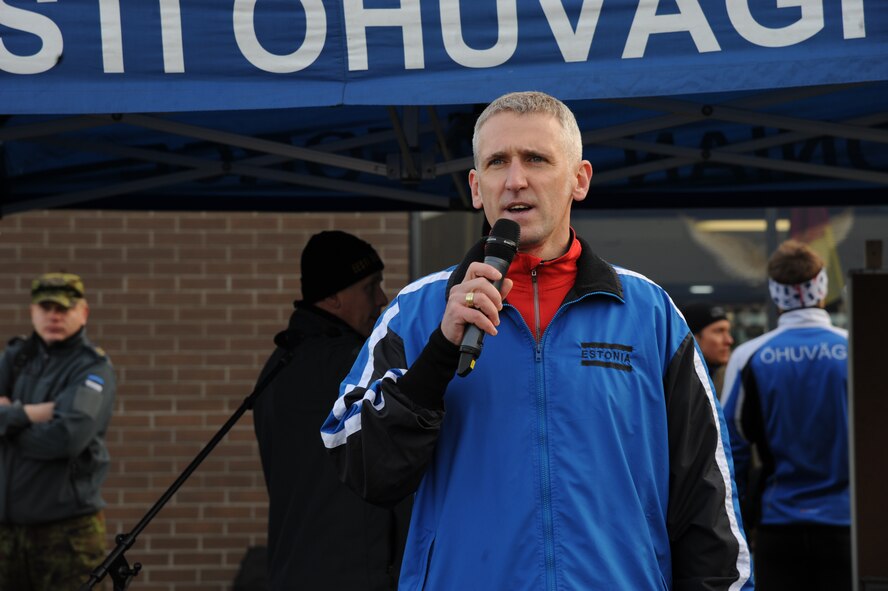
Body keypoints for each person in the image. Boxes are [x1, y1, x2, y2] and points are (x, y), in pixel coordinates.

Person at [321, 91, 752, 590]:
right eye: (497, 162)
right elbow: (359, 463)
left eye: (536, 159)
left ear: (580, 179)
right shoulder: (416, 312)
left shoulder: (650, 315)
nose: (515, 179)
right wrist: (438, 354)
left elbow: (706, 501)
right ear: (476, 187)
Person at [252, 231, 412, 591]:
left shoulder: (279, 365)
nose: (382, 300)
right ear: (333, 297)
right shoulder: (348, 367)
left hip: (297, 567)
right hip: (351, 573)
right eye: (371, 287)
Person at [721, 240, 850, 591]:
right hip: (848, 523)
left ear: (777, 295)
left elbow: (731, 447)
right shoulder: (853, 349)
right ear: (821, 287)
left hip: (779, 522)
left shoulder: (750, 356)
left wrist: (741, 521)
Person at [0, 272, 116, 590]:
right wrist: (30, 413)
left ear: (84, 312)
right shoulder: (15, 358)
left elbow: (66, 438)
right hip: (6, 536)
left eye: (64, 308)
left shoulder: (91, 368)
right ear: (32, 312)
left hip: (65, 536)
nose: (54, 315)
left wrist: (7, 424)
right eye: (46, 306)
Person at [682, 302, 734, 395]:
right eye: (719, 331)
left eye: (728, 331)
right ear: (693, 338)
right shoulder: (674, 386)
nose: (729, 340)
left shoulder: (733, 378)